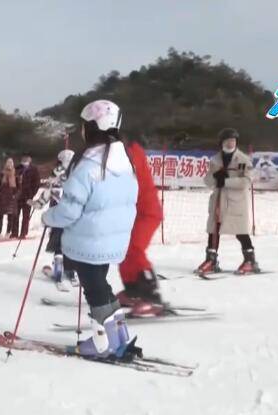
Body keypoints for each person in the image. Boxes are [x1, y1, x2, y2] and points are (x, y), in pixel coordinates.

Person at [42, 99, 139, 359]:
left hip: (88, 242)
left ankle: (102, 343)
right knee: (101, 285)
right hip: (111, 241)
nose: (81, 132)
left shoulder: (88, 166)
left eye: (84, 126)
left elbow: (69, 211)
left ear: (93, 127)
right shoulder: (125, 162)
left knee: (94, 288)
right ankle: (118, 335)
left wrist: (48, 217)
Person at [196, 127, 259, 275]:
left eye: (233, 141)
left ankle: (250, 260)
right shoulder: (215, 160)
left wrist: (226, 181)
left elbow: (246, 181)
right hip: (218, 201)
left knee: (240, 231)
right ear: (222, 142)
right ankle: (211, 260)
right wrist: (215, 178)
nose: (231, 143)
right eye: (228, 141)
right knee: (213, 231)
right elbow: (207, 180)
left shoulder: (242, 160)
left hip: (235, 202)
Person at [116, 136, 166, 314]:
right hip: (132, 213)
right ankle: (133, 292)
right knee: (123, 251)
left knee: (135, 249)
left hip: (147, 212)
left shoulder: (130, 152)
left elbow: (123, 181)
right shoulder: (120, 152)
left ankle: (152, 297)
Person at [31, 149, 78, 291]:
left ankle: (59, 271)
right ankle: (71, 272)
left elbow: (48, 193)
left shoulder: (55, 175)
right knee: (71, 244)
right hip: (74, 216)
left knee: (59, 242)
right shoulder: (78, 174)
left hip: (58, 216)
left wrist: (38, 204)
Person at [14, 155, 41, 238]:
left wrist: (32, 193)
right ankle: (14, 232)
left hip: (27, 196)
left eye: (26, 160)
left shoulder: (34, 170)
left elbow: (36, 183)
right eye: (23, 160)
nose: (24, 161)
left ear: (30, 160)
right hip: (17, 196)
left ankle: (23, 233)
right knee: (15, 215)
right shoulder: (17, 168)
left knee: (26, 216)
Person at [0, 158, 18, 237]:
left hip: (11, 198)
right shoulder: (1, 174)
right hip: (2, 198)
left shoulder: (15, 175)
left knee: (10, 216)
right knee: (0, 216)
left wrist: (15, 195)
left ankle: (8, 232)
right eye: (8, 163)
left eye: (11, 163)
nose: (9, 165)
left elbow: (19, 187)